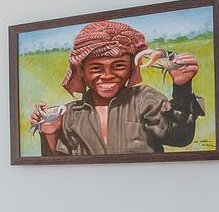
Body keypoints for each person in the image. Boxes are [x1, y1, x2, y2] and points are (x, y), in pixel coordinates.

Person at [30, 18, 201, 157]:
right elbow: (57, 167)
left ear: (132, 68)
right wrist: (49, 132)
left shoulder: (144, 99)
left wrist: (182, 87)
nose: (107, 75)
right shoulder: (67, 114)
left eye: (118, 66)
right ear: (81, 71)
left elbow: (180, 138)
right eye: (96, 68)